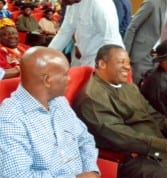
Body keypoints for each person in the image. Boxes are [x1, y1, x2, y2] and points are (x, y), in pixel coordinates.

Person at [74, 44, 167, 178]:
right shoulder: (92, 98)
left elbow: (154, 115)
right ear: (102, 64)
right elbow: (122, 136)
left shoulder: (127, 86)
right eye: (121, 62)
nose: (128, 67)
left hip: (153, 147)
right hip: (128, 157)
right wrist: (166, 145)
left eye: (128, 62)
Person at [0, 46, 100, 178]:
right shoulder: (10, 119)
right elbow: (17, 175)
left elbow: (85, 139)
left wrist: (91, 170)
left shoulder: (59, 102)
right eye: (65, 74)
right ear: (47, 80)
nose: (69, 79)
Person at [124, 0, 167, 85]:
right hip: (140, 56)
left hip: (157, 60)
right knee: (132, 88)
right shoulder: (152, 3)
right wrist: (125, 54)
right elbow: (132, 28)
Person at [48, 0, 124, 67]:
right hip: (83, 58)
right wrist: (46, 56)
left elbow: (113, 40)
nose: (62, 2)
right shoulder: (72, 4)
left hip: (99, 62)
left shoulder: (101, 4)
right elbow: (64, 33)